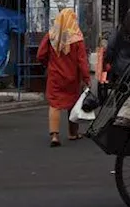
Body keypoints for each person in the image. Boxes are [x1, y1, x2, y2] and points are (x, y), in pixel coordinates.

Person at [37, 9, 91, 147]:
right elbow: (82, 61)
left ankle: (54, 135)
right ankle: (73, 133)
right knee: (73, 104)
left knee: (55, 104)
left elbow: (40, 55)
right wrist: (86, 78)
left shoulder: (51, 35)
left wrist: (48, 65)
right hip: (72, 77)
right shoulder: (77, 38)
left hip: (55, 76)